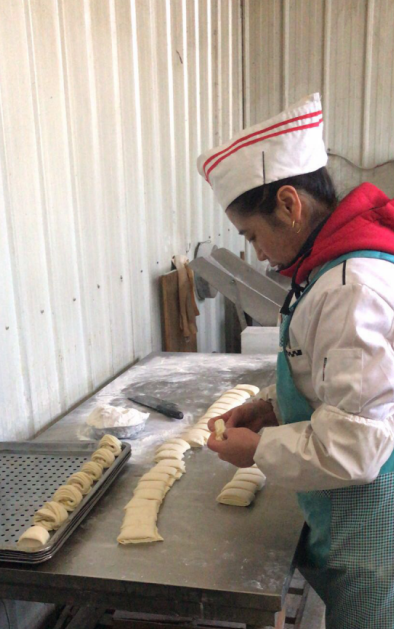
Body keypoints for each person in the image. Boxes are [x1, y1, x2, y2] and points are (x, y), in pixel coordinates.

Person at [197, 93, 394, 629]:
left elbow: (355, 444)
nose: (258, 253)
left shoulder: (351, 287)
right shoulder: (331, 268)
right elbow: (339, 381)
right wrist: (273, 408)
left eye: (253, 235)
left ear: (289, 204)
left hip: (374, 526)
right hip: (355, 515)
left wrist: (259, 449)